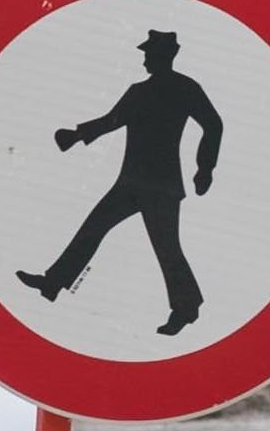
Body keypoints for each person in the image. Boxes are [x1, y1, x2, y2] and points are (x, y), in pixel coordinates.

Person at [18, 27, 222, 335]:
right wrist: (75, 135)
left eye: (149, 55)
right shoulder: (138, 91)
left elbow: (213, 124)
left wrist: (205, 167)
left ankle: (186, 308)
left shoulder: (185, 88)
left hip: (162, 186)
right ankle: (53, 282)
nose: (144, 61)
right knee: (94, 228)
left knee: (166, 248)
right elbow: (113, 120)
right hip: (131, 181)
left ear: (163, 56)